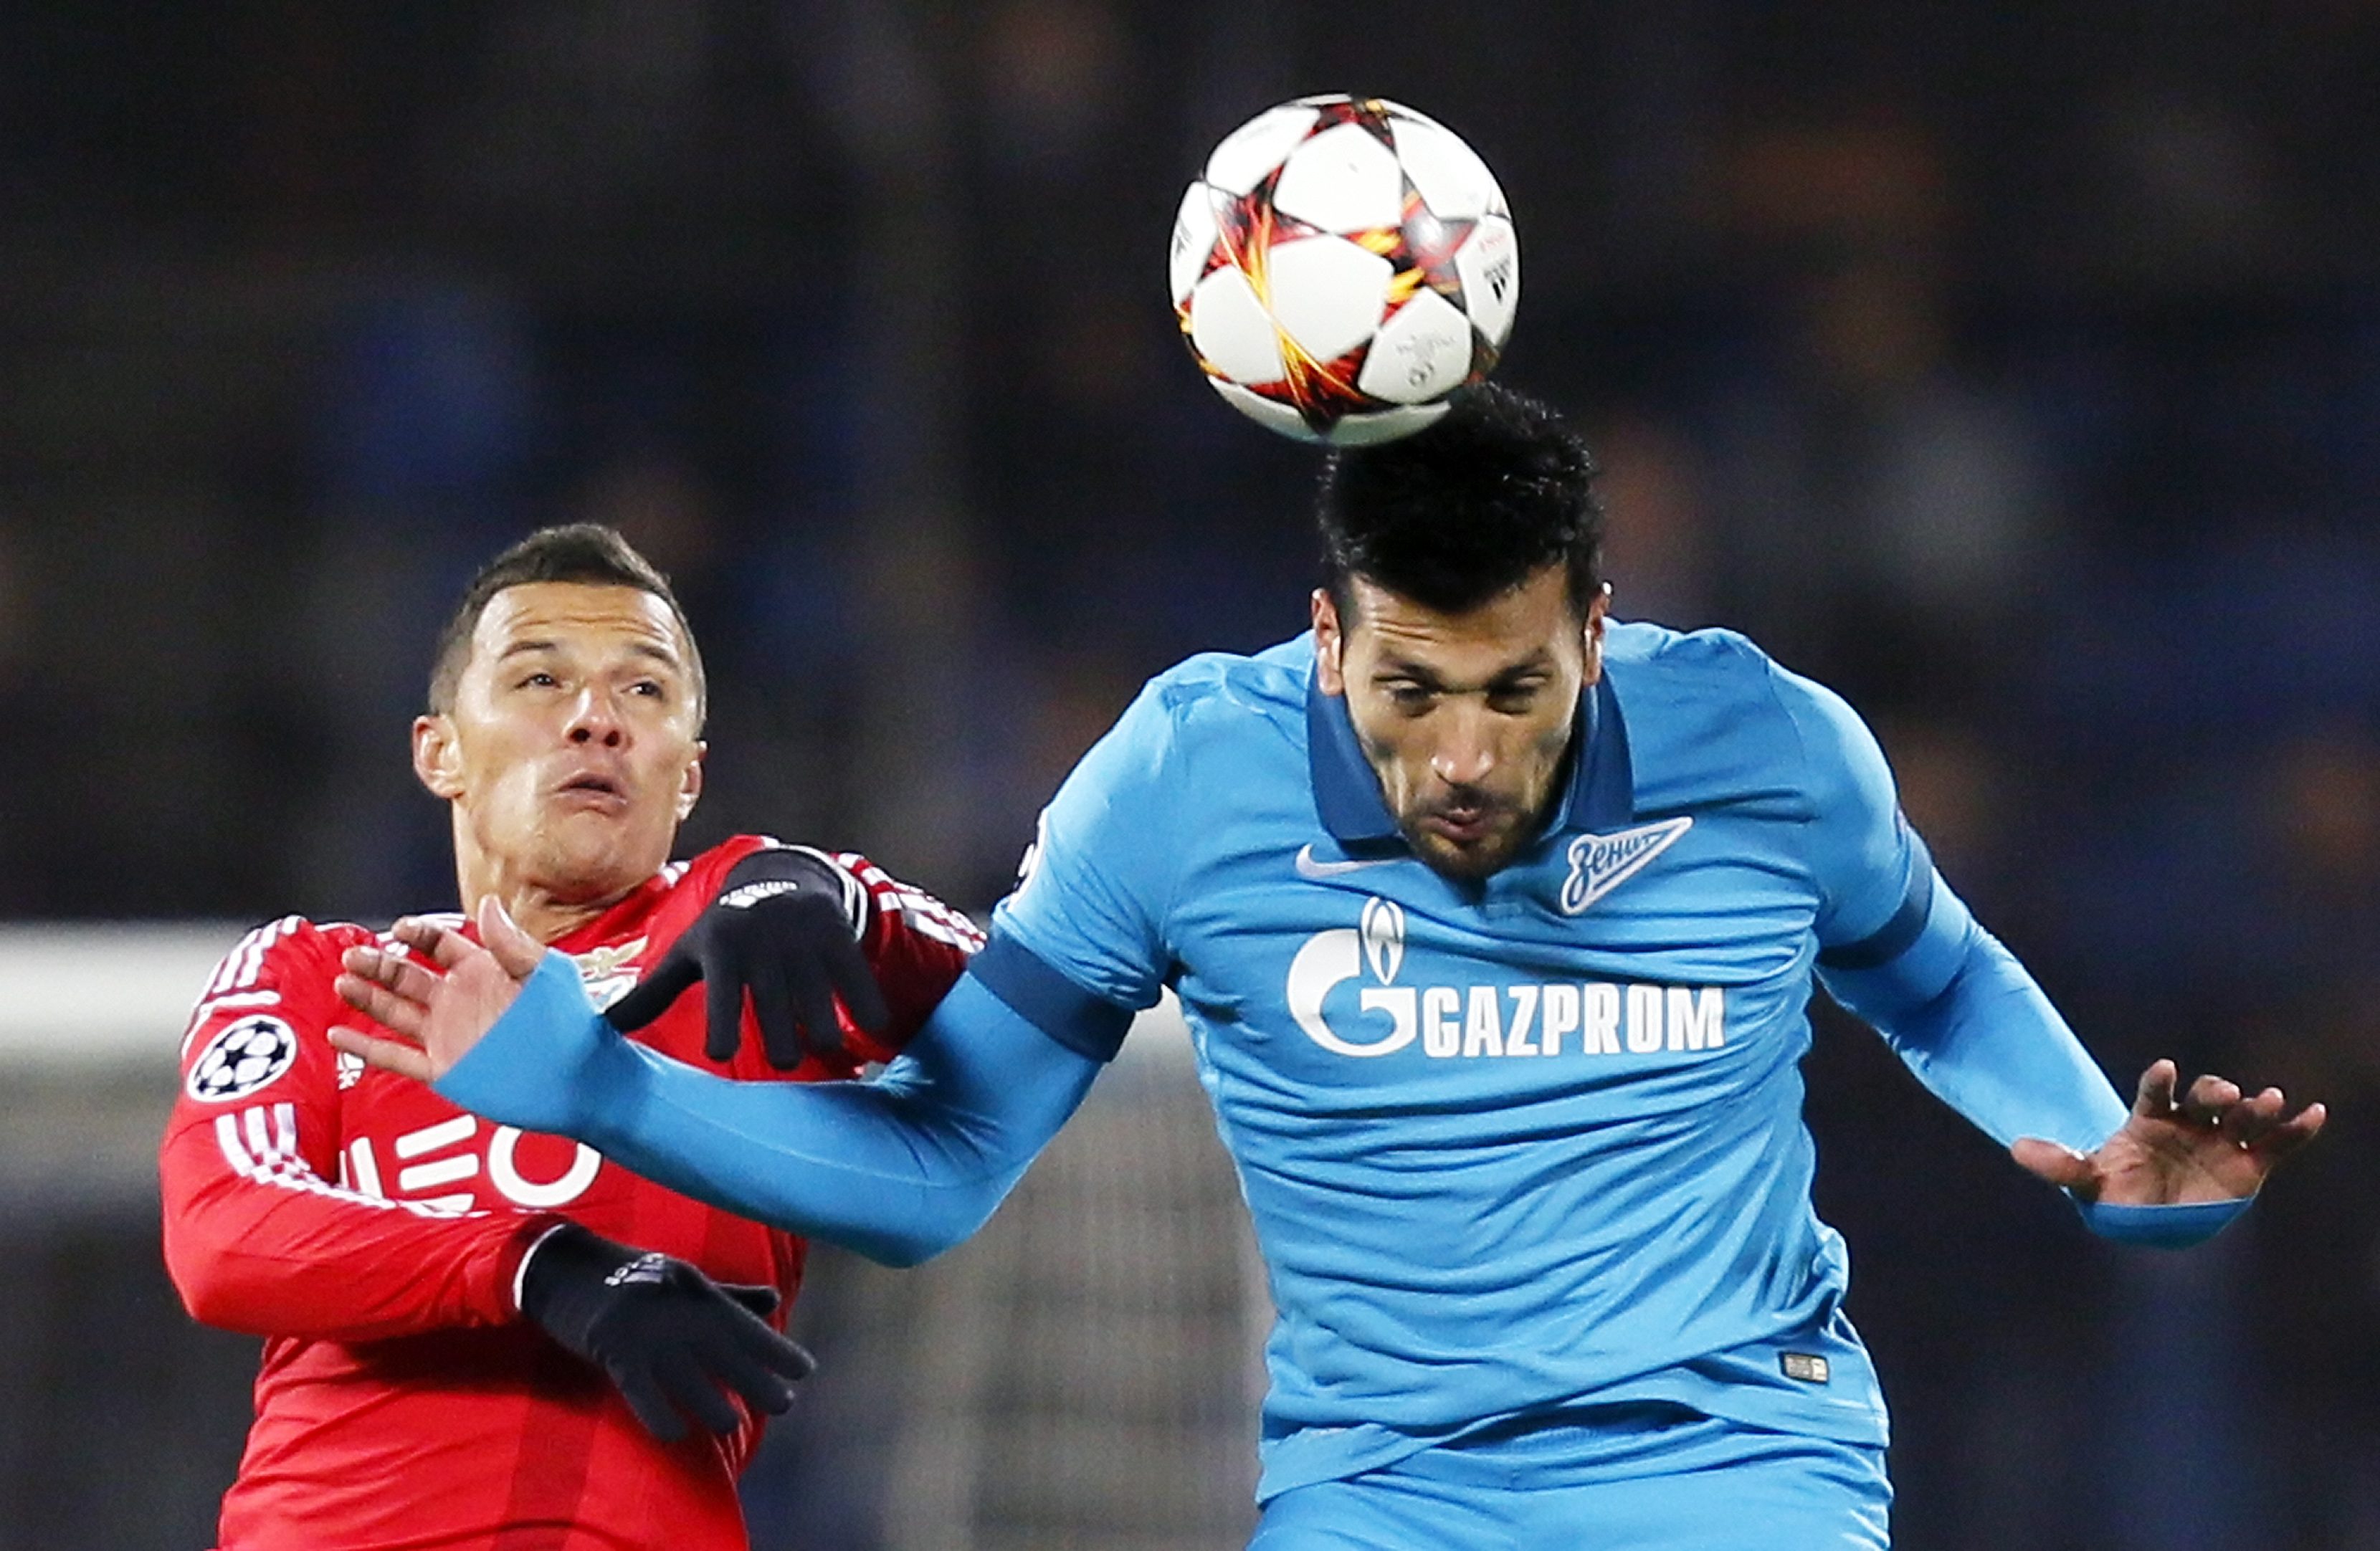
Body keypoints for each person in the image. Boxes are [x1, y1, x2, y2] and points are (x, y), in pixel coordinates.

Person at [334, 391, 2323, 1549]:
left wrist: (2096, 1150)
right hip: (1386, 1495)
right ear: (1321, 630)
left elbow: (1940, 976)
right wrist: (594, 1084)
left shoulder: (1773, 748)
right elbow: (940, 1170)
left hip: (1738, 1458)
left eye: (1516, 692)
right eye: (1406, 691)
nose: (1460, 757)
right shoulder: (1186, 779)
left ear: (1604, 635)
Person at [159, 523, 984, 1550]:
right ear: (440, 749)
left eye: (643, 692)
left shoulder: (740, 937)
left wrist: (849, 908)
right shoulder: (317, 976)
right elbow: (224, 1233)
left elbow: (1032, 1001)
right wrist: (540, 1270)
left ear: (688, 773)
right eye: (541, 680)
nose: (597, 720)